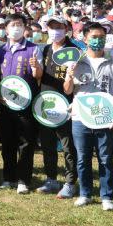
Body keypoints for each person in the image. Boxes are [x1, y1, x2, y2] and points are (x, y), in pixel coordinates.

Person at [64, 22, 113, 211]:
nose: (98, 40)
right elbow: (68, 91)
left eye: (101, 37)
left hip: (106, 118)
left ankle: (106, 196)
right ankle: (85, 194)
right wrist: (68, 75)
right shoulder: (77, 62)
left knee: (105, 158)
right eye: (94, 37)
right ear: (85, 38)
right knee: (82, 158)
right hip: (80, 118)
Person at [0, 13, 42, 194]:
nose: (16, 28)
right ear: (6, 29)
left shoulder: (33, 49)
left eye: (20, 24)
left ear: (25, 28)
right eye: (13, 25)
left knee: (26, 142)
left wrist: (36, 67)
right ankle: (9, 177)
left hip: (25, 103)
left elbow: (38, 76)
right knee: (7, 141)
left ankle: (23, 179)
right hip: (6, 103)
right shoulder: (1, 50)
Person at [37, 15, 79, 198]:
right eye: (51, 27)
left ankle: (70, 182)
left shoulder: (74, 51)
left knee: (68, 146)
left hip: (66, 105)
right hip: (46, 103)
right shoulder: (45, 49)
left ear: (66, 28)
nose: (55, 30)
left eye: (58, 27)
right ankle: (51, 179)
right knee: (47, 144)